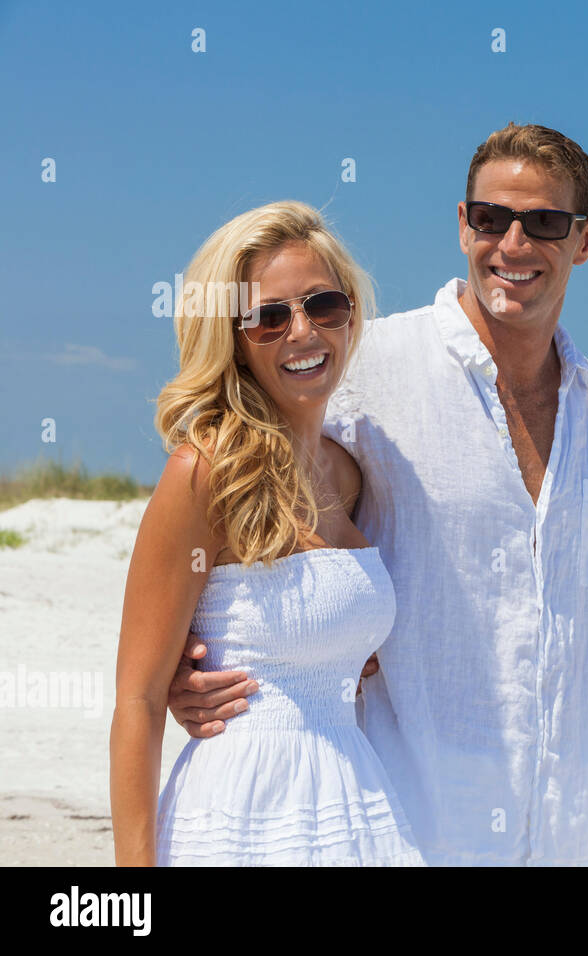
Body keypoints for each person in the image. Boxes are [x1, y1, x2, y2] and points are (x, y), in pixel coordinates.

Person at [165, 124, 588, 865]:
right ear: (461, 224)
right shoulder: (361, 364)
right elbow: (232, 481)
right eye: (490, 218)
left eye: (543, 222)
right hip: (409, 822)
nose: (512, 244)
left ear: (586, 238)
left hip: (574, 829)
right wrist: (185, 664)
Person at [111, 201, 424, 866]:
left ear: (351, 315)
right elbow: (137, 700)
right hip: (242, 813)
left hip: (354, 804)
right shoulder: (204, 472)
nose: (302, 332)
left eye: (323, 305)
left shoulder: (349, 473)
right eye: (269, 317)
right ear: (231, 336)